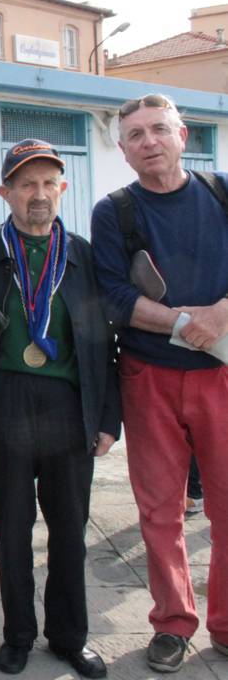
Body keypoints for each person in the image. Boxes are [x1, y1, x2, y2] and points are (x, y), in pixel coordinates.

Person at [0, 139, 120, 678]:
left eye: (49, 182)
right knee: (11, 528)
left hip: (67, 404)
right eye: (26, 183)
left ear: (63, 189)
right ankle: (18, 635)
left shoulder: (83, 255)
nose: (39, 194)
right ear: (5, 192)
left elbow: (102, 341)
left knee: (70, 530)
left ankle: (70, 636)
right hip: (4, 400)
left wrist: (106, 416)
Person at [91, 93, 228, 673]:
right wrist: (182, 323)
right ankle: (172, 622)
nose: (149, 142)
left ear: (184, 134)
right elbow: (114, 297)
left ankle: (224, 624)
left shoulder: (221, 192)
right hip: (148, 375)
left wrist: (219, 314)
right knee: (160, 511)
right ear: (123, 151)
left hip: (222, 373)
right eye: (136, 136)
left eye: (158, 130)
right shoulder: (114, 211)